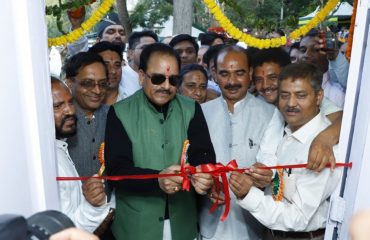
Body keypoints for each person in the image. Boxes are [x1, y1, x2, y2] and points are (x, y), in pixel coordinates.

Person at [104, 43, 216, 240]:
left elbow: (204, 154)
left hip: (184, 223)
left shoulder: (191, 109)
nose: (166, 86)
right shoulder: (120, 112)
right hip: (136, 227)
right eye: (157, 78)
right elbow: (117, 169)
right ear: (141, 76)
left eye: (173, 80)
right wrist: (157, 180)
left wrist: (204, 175)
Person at [231, 63, 342, 240]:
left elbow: (298, 217)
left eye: (301, 95)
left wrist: (248, 194)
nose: (290, 103)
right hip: (270, 232)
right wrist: (263, 176)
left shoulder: (324, 149)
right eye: (284, 96)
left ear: (319, 96)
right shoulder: (286, 129)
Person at [200, 45, 284, 240]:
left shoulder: (272, 114)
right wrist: (204, 186)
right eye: (224, 74)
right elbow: (193, 162)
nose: (231, 81)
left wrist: (262, 177)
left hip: (252, 224)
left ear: (250, 73)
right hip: (209, 222)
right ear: (214, 74)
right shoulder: (200, 113)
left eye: (239, 73)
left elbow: (275, 166)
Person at [251, 47, 343, 171]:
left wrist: (323, 139)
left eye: (273, 77)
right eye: (259, 80)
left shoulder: (310, 102)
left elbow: (342, 119)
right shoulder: (259, 104)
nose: (265, 85)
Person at [51, 77, 112, 233]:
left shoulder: (58, 149)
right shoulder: (49, 162)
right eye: (58, 106)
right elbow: (67, 232)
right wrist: (93, 204)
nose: (70, 111)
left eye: (70, 102)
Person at [65, 52, 109, 177]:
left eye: (102, 84)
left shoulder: (114, 116)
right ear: (69, 82)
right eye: (87, 83)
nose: (97, 90)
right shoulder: (58, 122)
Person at [299, 29, 349, 107]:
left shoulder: (337, 95)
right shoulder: (288, 87)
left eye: (315, 50)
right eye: (303, 50)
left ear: (328, 55)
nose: (306, 54)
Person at [120, 30, 159, 98]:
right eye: (144, 48)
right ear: (130, 53)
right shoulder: (119, 77)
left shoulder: (162, 77)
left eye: (154, 48)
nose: (150, 52)